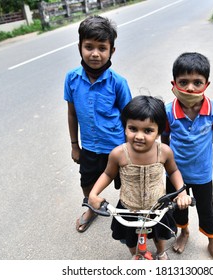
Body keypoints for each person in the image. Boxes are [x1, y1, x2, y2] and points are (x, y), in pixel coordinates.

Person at [88, 95, 192, 260]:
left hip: (157, 206)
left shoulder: (164, 151)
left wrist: (181, 193)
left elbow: (173, 172)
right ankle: (136, 254)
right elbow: (108, 174)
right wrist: (93, 194)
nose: (139, 136)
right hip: (128, 207)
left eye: (148, 130)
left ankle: (160, 252)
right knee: (130, 239)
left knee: (159, 236)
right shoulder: (119, 154)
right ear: (125, 127)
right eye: (133, 128)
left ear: (159, 131)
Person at [64, 15, 132, 233]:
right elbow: (72, 114)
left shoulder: (118, 83)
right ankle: (91, 207)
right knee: (87, 181)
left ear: (112, 50)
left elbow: (130, 118)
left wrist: (132, 149)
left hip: (117, 147)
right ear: (79, 47)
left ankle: (130, 213)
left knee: (128, 185)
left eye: (102, 48)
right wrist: (75, 145)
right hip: (90, 148)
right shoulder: (72, 79)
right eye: (89, 47)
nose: (95, 54)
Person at [161, 52, 213, 260]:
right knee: (177, 208)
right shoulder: (167, 111)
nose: (190, 88)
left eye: (197, 82)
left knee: (207, 210)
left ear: (207, 83)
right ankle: (184, 232)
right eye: (183, 82)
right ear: (174, 83)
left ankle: (212, 243)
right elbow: (165, 140)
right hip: (175, 172)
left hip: (202, 173)